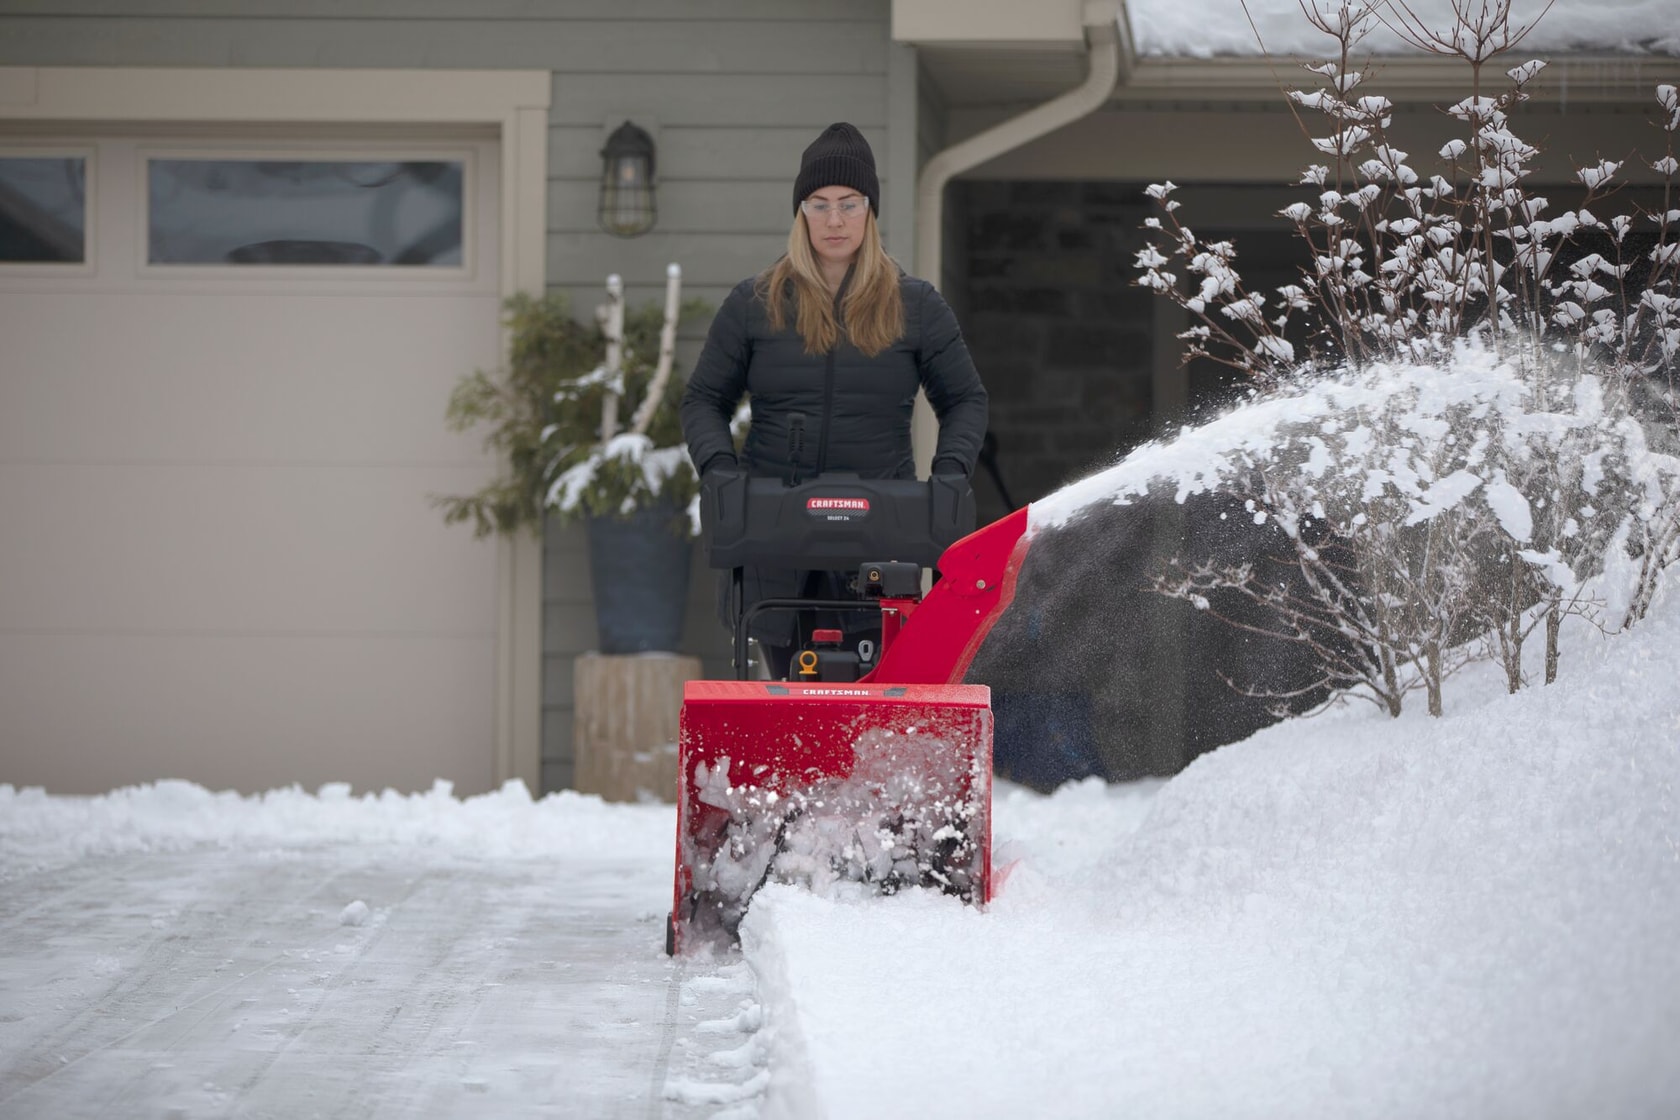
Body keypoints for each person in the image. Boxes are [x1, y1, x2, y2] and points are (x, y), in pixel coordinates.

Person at [681, 122, 988, 677]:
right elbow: (703, 399)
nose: (835, 220)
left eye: (849, 204)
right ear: (800, 212)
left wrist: (949, 475)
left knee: (873, 699)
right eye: (819, 204)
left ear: (869, 210)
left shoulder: (915, 305)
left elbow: (966, 399)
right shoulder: (755, 303)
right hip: (774, 534)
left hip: (880, 537)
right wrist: (720, 471)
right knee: (788, 700)